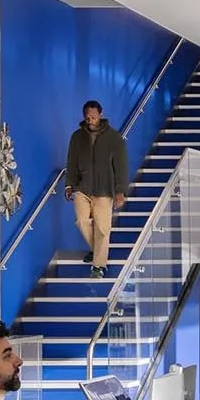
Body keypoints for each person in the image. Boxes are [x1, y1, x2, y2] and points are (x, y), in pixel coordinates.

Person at [66, 100, 128, 278]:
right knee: (81, 221)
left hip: (104, 190)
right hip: (82, 188)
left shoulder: (113, 138)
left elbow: (121, 166)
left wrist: (120, 191)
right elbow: (71, 162)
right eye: (87, 117)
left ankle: (98, 265)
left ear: (100, 114)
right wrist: (69, 184)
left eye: (93, 117)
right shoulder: (77, 137)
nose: (90, 120)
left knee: (102, 228)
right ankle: (97, 250)